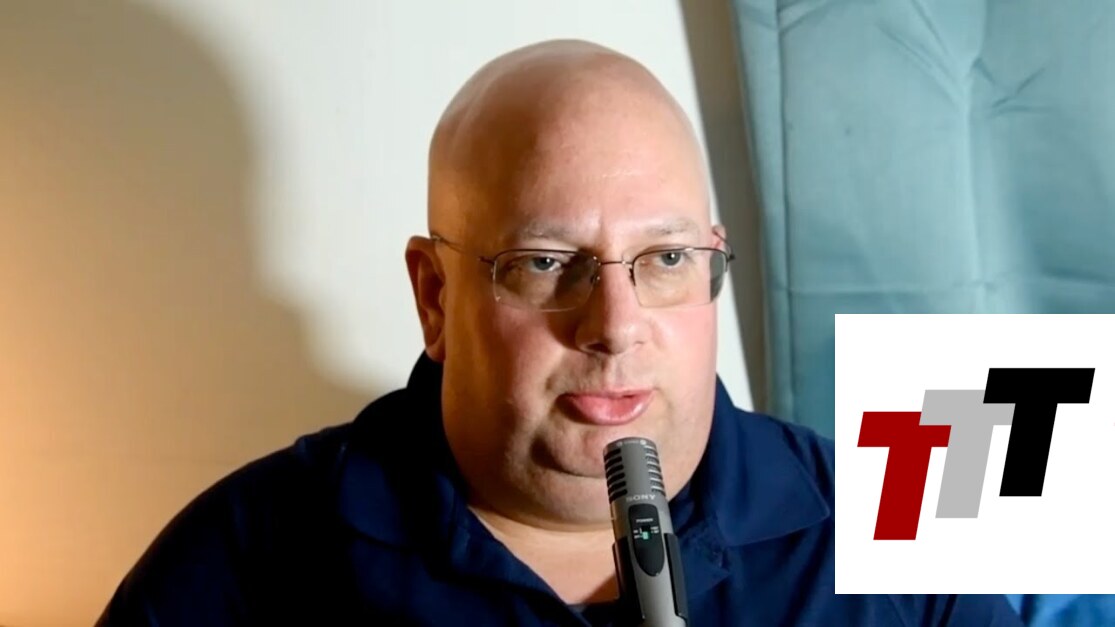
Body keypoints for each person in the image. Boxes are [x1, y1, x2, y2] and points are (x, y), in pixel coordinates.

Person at [97, 39, 1023, 626]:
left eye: (665, 257)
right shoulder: (245, 559)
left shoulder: (909, 517)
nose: (614, 327)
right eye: (544, 263)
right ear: (434, 296)